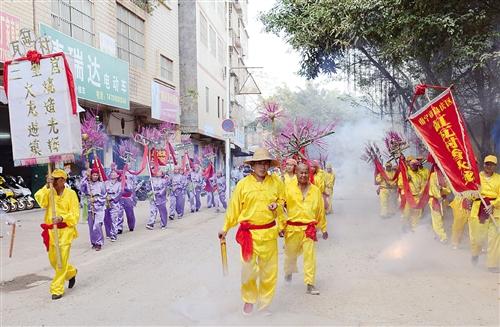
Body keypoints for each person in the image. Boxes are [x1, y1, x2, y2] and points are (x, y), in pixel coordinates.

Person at [218, 148, 285, 315]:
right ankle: (249, 299)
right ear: (253, 165)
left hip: (269, 234)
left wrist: (277, 208)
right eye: (259, 163)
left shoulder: (276, 182)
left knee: (269, 272)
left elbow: (283, 201)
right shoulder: (243, 184)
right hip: (250, 235)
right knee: (248, 271)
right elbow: (234, 209)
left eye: (266, 163)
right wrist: (225, 228)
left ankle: (264, 305)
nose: (263, 166)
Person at [282, 163, 328, 295]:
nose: (303, 175)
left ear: (310, 174)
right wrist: (281, 226)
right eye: (301, 172)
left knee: (310, 257)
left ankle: (310, 283)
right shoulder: (288, 188)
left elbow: (320, 211)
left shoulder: (315, 190)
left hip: (309, 229)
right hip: (292, 228)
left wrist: (323, 228)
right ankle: (288, 273)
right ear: (296, 173)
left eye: (306, 172)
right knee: (290, 255)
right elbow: (280, 207)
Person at [34, 169, 79, 300]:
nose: (53, 181)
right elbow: (40, 201)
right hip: (51, 232)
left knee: (61, 260)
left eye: (55, 179)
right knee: (54, 260)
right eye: (51, 179)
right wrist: (47, 186)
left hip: (65, 231)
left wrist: (62, 218)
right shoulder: (49, 192)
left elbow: (75, 215)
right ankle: (71, 273)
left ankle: (57, 289)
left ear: (63, 180)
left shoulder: (71, 194)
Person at [469, 155, 499, 272]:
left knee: (495, 237)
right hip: (478, 208)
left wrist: (493, 204)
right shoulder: (476, 177)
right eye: (487, 163)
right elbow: (470, 192)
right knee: (477, 237)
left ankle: (492, 264)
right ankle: (475, 254)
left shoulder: (499, 178)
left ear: (495, 166)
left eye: (492, 164)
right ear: (484, 164)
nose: (489, 166)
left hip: (495, 210)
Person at [80, 168, 107, 251]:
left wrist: (96, 199)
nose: (95, 176)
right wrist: (85, 176)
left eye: (96, 175)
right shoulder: (87, 183)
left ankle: (99, 243)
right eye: (93, 175)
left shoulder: (101, 184)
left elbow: (104, 195)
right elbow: (81, 188)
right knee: (91, 226)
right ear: (91, 175)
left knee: (97, 225)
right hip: (90, 207)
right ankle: (94, 242)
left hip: (99, 208)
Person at [398, 158, 426, 232]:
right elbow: (400, 184)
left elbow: (423, 186)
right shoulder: (405, 174)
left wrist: (421, 193)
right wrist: (406, 180)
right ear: (410, 166)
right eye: (413, 165)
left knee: (416, 215)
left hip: (417, 197)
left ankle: (414, 230)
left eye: (416, 165)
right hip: (408, 197)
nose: (415, 166)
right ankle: (404, 227)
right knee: (406, 214)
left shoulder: (420, 175)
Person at [428, 167, 451, 243]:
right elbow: (433, 187)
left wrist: (442, 189)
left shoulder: (446, 176)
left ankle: (437, 233)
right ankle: (442, 236)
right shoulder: (433, 175)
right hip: (435, 201)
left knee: (443, 218)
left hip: (443, 201)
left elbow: (448, 190)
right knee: (437, 219)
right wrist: (438, 196)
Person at [104, 169, 122, 242]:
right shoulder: (105, 183)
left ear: (117, 175)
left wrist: (112, 198)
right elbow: (102, 191)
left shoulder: (119, 184)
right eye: (111, 173)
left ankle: (113, 234)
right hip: (106, 202)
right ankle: (108, 233)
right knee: (106, 219)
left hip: (114, 203)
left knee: (114, 219)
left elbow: (120, 193)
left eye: (114, 173)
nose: (112, 174)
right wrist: (105, 196)